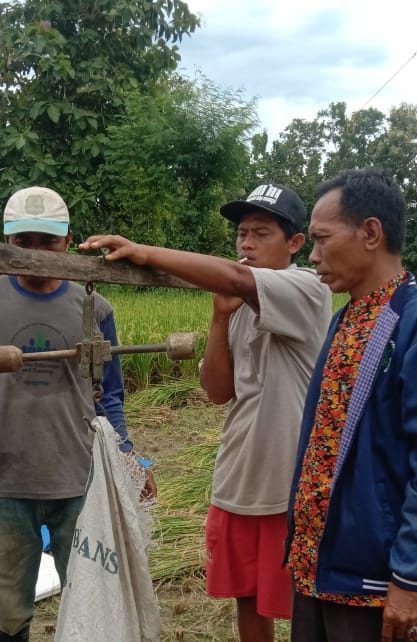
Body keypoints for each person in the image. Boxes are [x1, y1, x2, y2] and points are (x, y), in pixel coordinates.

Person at [81, 183, 331, 642]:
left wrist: (143, 251)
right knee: (249, 600)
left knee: (301, 604)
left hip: (288, 485)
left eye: (261, 233)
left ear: (295, 243)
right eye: (241, 234)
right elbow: (218, 391)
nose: (246, 244)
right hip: (238, 476)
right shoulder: (236, 305)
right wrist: (219, 316)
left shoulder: (308, 288)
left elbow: (235, 278)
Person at [0, 186, 153, 642]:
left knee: (92, 600)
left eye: (47, 242)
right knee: (8, 616)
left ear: (67, 241)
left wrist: (127, 455)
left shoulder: (94, 308)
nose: (35, 253)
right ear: (5, 242)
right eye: (23, 242)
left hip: (78, 483)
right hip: (2, 482)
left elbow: (108, 396)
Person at [285, 168, 417, 642]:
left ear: (370, 232)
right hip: (317, 565)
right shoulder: (346, 318)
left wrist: (412, 578)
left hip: (372, 580)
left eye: (322, 239)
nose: (313, 255)